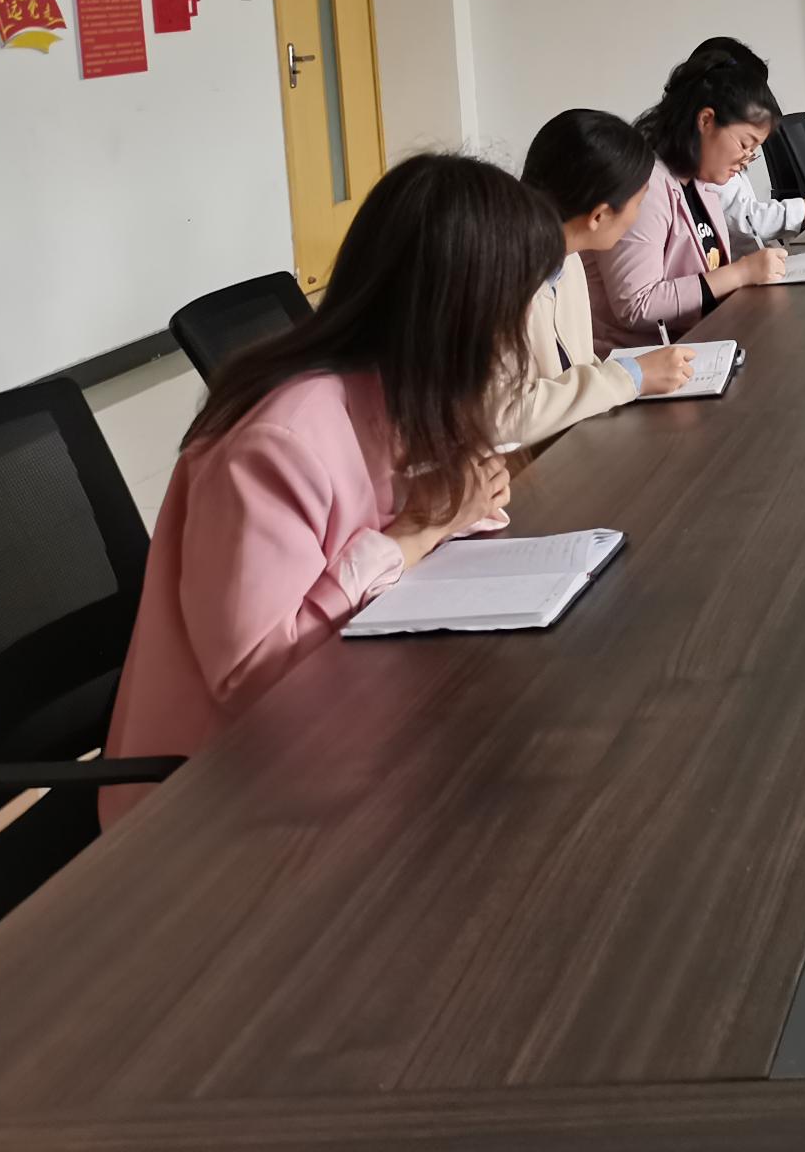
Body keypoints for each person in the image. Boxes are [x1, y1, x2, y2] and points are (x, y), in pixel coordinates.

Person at [101, 155, 555, 820]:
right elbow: (256, 679)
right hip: (219, 795)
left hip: (357, 721)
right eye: (513, 304)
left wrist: (461, 501)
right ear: (458, 312)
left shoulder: (403, 386)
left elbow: (426, 516)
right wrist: (420, 531)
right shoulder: (278, 443)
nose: (516, 329)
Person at [509, 108, 698, 443]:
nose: (638, 216)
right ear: (599, 215)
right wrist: (631, 377)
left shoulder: (567, 260)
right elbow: (509, 417)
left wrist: (628, 377)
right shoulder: (503, 281)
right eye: (639, 203)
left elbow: (575, 367)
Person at [588, 56, 791, 352]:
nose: (746, 161)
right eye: (745, 145)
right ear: (706, 120)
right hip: (642, 359)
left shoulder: (698, 183)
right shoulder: (646, 185)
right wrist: (741, 273)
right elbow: (636, 305)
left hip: (697, 342)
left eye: (753, 151)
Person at [688, 35, 805, 245]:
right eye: (744, 144)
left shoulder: (716, 154)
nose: (745, 158)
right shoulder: (706, 164)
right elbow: (747, 220)